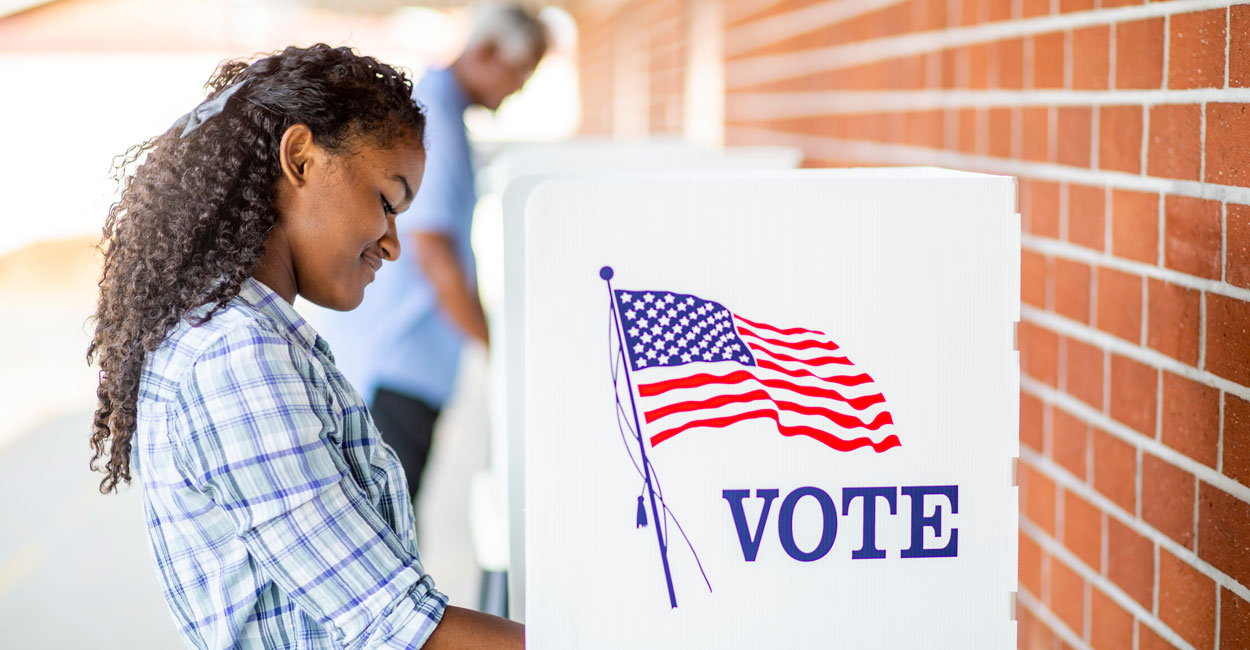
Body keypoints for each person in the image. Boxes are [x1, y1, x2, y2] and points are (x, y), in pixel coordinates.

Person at [87, 44, 522, 649]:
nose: (393, 244)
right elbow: (399, 626)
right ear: (299, 158)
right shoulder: (236, 357)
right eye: (386, 202)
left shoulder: (254, 338)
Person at [315, 5, 547, 511]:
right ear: (486, 52)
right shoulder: (432, 119)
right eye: (522, 71)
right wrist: (499, 350)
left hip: (413, 364)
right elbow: (435, 253)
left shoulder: (448, 112)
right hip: (395, 364)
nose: (521, 88)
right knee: (382, 537)